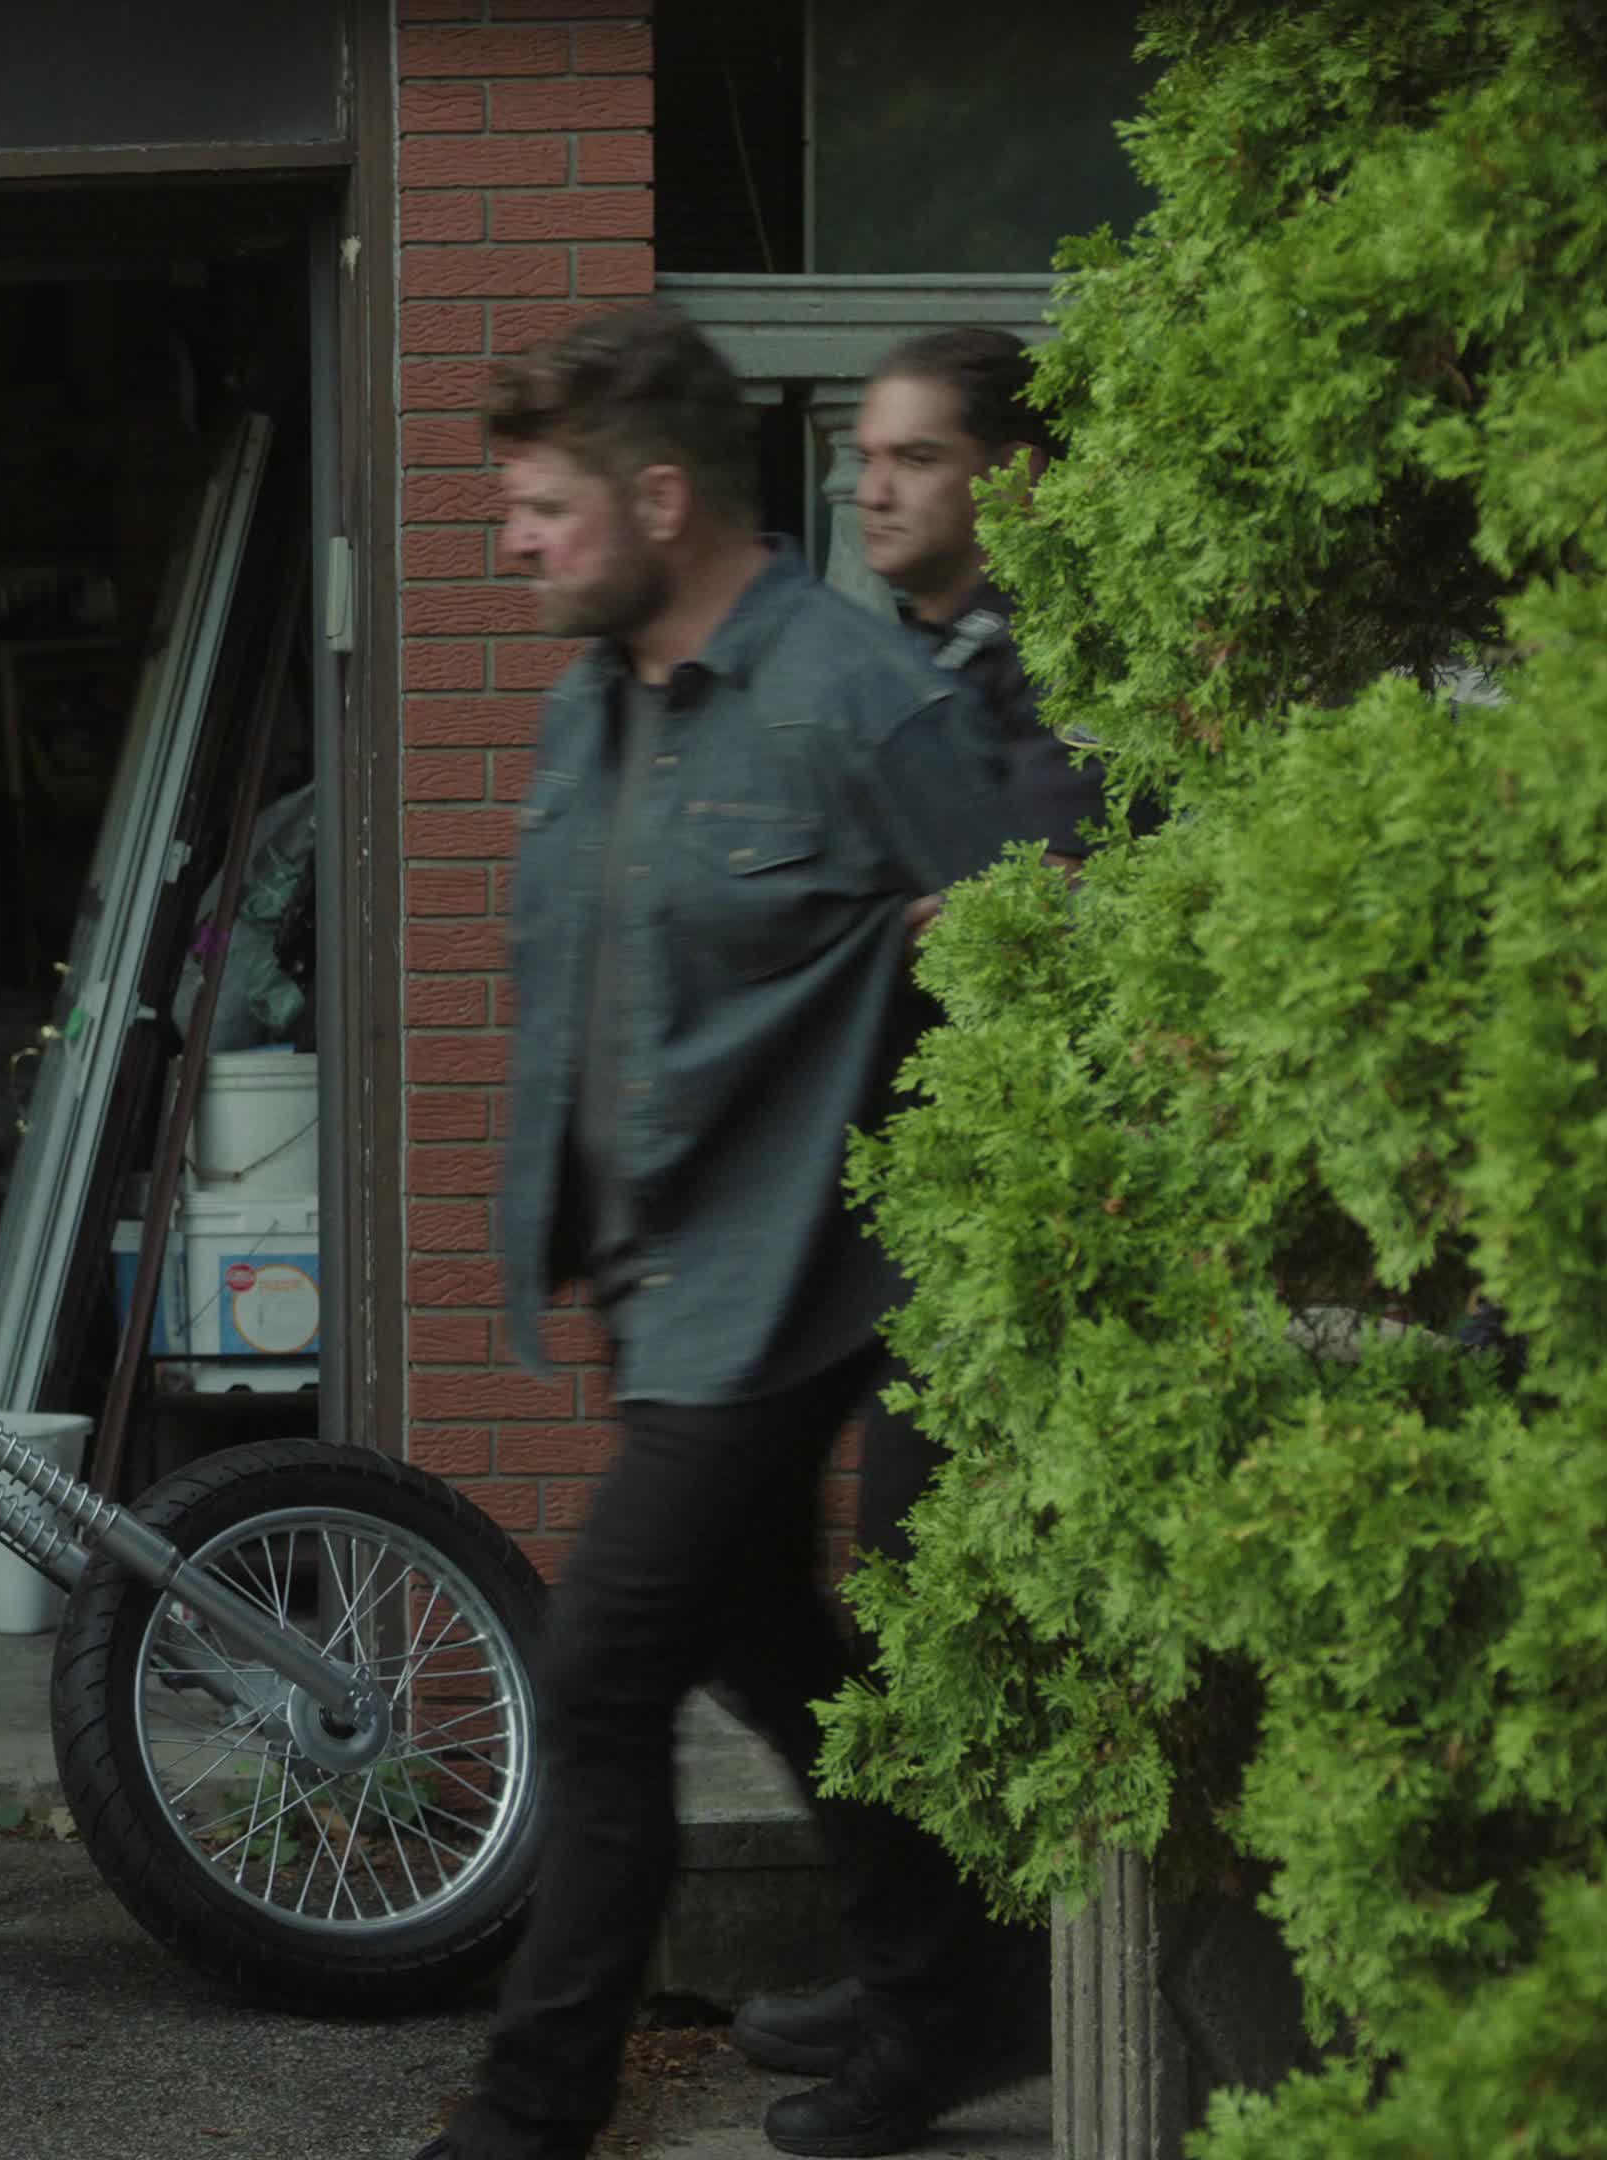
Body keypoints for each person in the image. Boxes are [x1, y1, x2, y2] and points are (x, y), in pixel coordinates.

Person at [414, 304, 1049, 2160]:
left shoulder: (856, 699)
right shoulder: (598, 697)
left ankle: (534, 2109)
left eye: (543, 508)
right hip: (665, 1279)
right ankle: (956, 1991)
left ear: (662, 501)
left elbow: (1036, 955)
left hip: (789, 1285)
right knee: (779, 1651)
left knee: (600, 1673)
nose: (515, 543)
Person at [726, 326, 1109, 2083]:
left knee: (930, 1590)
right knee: (841, 1587)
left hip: (1021, 1216)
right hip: (893, 1208)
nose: (869, 487)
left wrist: (938, 917)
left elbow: (1022, 906)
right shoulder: (901, 665)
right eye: (863, 456)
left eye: (915, 456)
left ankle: (956, 2002)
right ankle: (935, 1974)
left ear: (1012, 475)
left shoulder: (1065, 669)